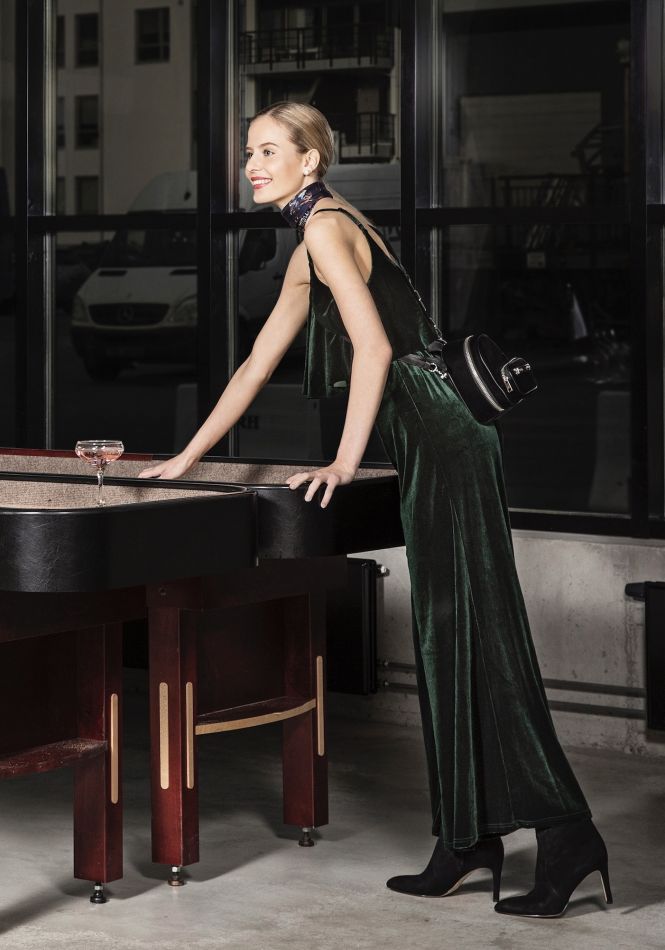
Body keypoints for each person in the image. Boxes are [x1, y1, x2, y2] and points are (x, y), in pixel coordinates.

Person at [139, 101, 612, 918]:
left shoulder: (327, 229)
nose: (252, 164)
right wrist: (186, 458)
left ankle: (567, 833)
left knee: (477, 632)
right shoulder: (314, 237)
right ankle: (466, 837)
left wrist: (345, 460)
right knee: (444, 637)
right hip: (434, 438)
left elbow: (377, 346)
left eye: (269, 150)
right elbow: (256, 364)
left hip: (445, 440)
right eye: (248, 151)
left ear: (310, 161)